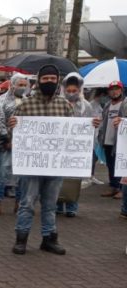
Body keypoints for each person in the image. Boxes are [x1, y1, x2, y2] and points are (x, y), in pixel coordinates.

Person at [8, 64, 101, 256]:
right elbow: (14, 134)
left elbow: (74, 131)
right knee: (27, 202)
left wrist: (90, 125)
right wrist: (13, 125)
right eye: (45, 79)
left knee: (50, 205)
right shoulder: (25, 104)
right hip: (32, 166)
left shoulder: (64, 104)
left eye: (52, 79)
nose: (49, 82)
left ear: (57, 81)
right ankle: (21, 239)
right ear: (39, 81)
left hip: (55, 165)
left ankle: (49, 239)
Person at [0, 73, 30, 216]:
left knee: (22, 175)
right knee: (1, 172)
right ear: (12, 85)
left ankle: (19, 203)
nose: (23, 88)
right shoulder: (0, 101)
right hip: (4, 144)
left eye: (25, 85)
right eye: (20, 85)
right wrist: (7, 139)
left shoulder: (28, 102)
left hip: (23, 145)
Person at [56, 73, 96, 217]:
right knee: (58, 177)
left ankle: (72, 206)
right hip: (60, 147)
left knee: (74, 178)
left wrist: (94, 124)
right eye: (69, 90)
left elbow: (91, 124)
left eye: (75, 91)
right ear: (64, 89)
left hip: (76, 149)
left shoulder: (86, 106)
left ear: (80, 90)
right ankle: (59, 204)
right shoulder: (57, 103)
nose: (71, 93)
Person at [98, 81, 126, 199]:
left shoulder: (125, 104)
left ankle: (121, 189)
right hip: (107, 140)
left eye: (117, 89)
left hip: (120, 141)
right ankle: (113, 186)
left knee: (120, 165)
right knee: (110, 165)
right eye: (112, 89)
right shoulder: (107, 105)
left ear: (121, 90)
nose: (114, 92)